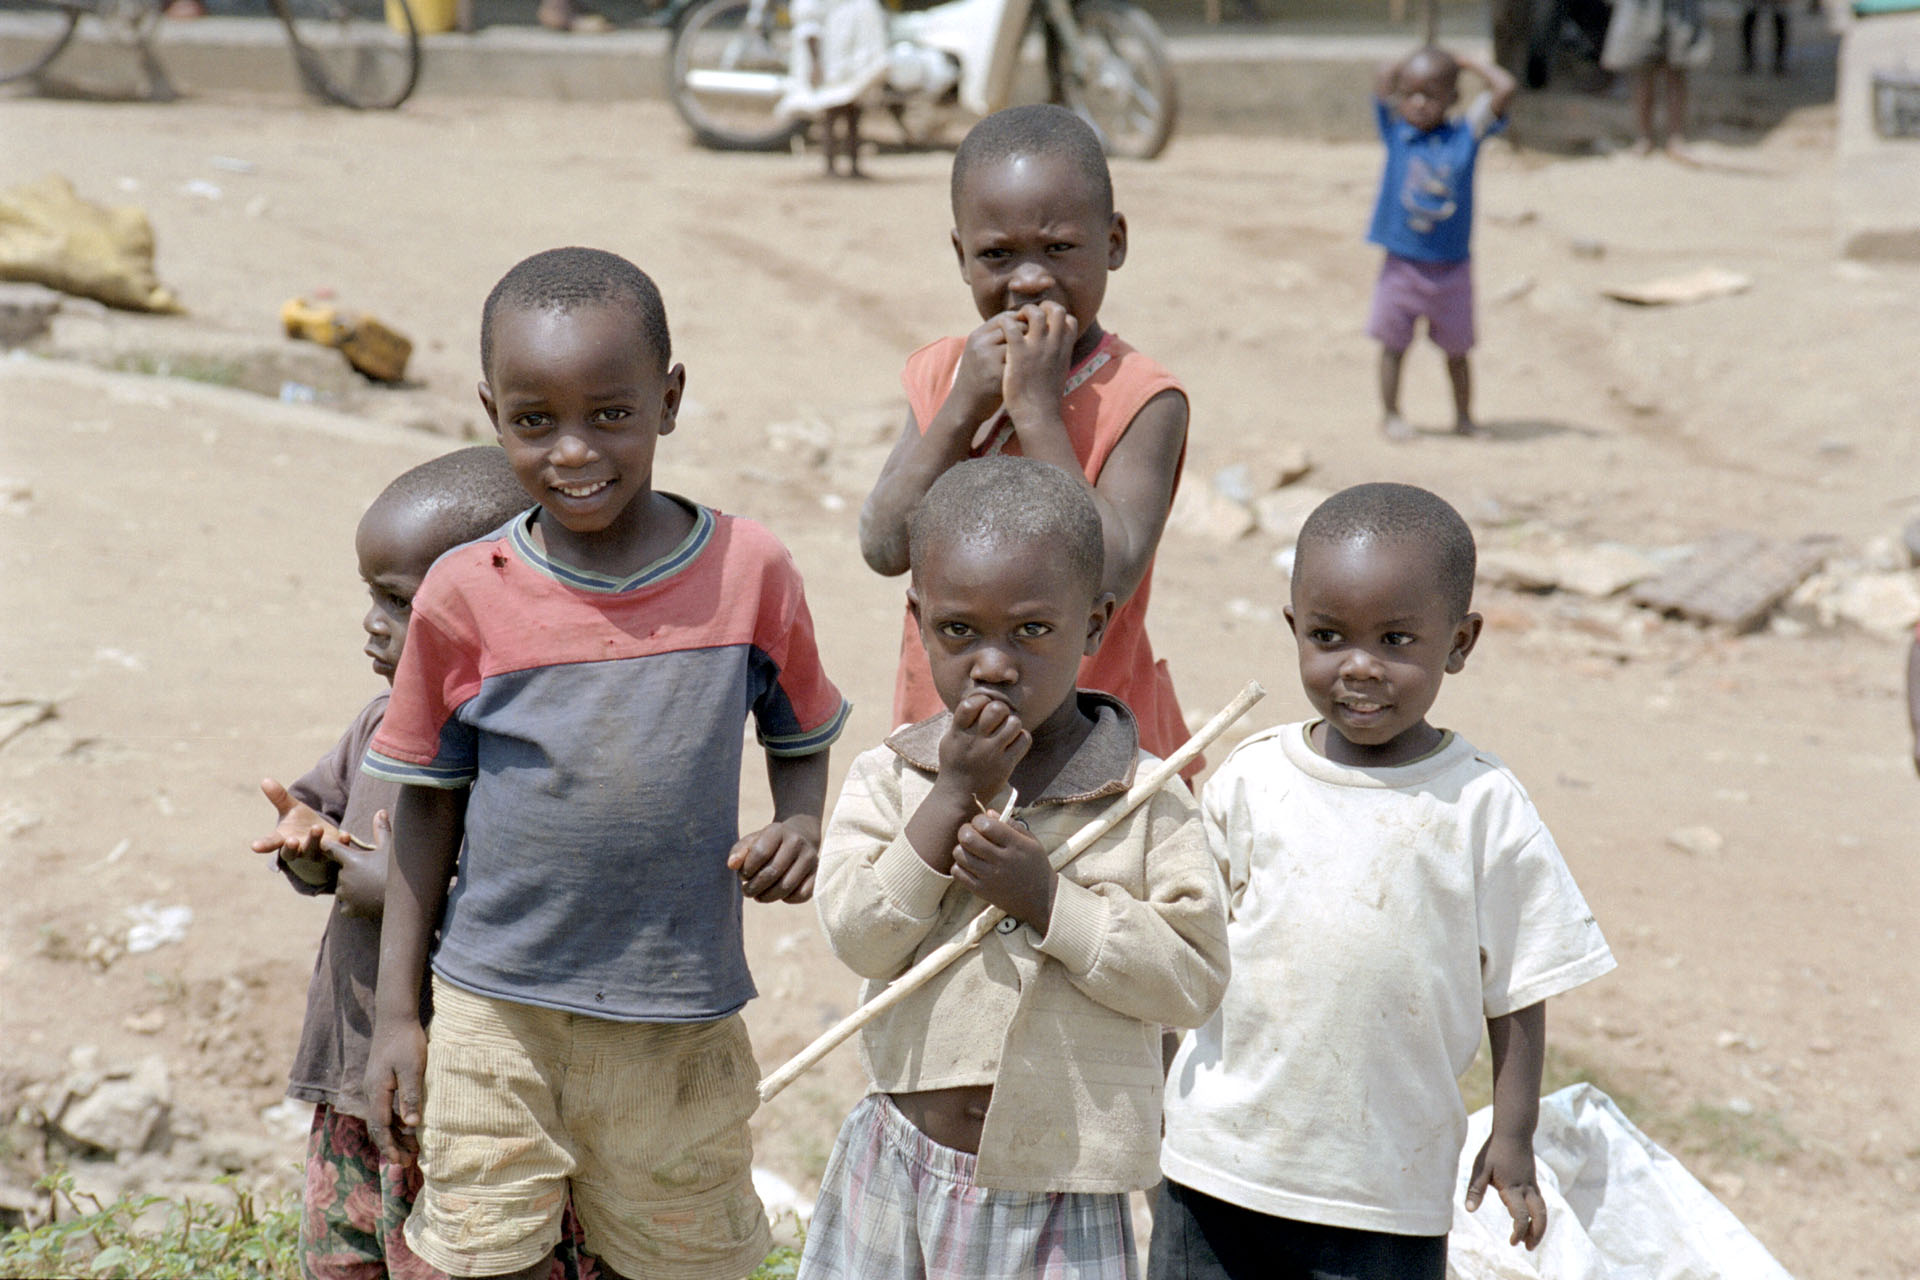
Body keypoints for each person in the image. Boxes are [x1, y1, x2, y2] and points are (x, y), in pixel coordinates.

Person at [361, 247, 851, 1280]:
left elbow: (800, 734)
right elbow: (425, 812)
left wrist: (799, 822)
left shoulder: (748, 572)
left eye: (611, 413)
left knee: (684, 1255)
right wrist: (402, 1016)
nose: (574, 450)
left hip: (678, 1014)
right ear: (492, 411)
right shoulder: (465, 593)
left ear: (669, 399)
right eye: (535, 421)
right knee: (474, 1255)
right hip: (499, 1008)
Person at [1154, 482, 1618, 1280]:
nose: (1360, 668)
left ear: (1461, 642)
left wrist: (1511, 1142)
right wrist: (1169, 1102)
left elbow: (1519, 988)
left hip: (1381, 1192)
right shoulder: (1251, 778)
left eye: (1397, 640)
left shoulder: (1480, 805)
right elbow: (1183, 949)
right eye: (1329, 636)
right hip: (1216, 1169)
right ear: (1294, 628)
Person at [803, 456, 1231, 1280]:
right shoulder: (894, 780)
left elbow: (1192, 980)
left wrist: (1049, 902)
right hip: (900, 1161)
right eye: (959, 631)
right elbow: (858, 939)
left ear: (1097, 626)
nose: (993, 664)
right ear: (918, 620)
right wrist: (950, 798)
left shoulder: (1146, 800)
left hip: (1060, 1191)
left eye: (1032, 631)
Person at [253, 446, 610, 1280]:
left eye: (401, 602)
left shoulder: (529, 756)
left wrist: (389, 886)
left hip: (475, 1109)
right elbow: (320, 832)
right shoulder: (378, 724)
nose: (374, 622)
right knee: (345, 1259)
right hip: (352, 1083)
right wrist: (306, 846)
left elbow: (544, 899)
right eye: (371, 595)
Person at [859, 104, 1199, 777]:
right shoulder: (943, 375)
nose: (1030, 279)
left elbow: (1113, 570)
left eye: (1060, 248)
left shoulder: (1142, 398)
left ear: (1115, 242)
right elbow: (883, 544)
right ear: (961, 256)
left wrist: (1037, 412)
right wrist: (962, 407)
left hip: (1089, 748)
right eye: (997, 255)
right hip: (948, 731)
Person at [1365, 45, 1517, 441]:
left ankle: (1464, 419)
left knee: (1458, 351)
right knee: (1393, 345)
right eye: (1410, 93)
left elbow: (1505, 87)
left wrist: (1469, 63)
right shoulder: (1398, 133)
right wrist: (1412, 56)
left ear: (1453, 98)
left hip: (1452, 269)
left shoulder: (1466, 135)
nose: (1418, 103)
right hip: (1402, 265)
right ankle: (1391, 414)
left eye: (1430, 94)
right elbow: (1383, 77)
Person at [1600, 0, 1712, 155]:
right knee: (1642, 71)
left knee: (1676, 71)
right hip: (1642, 7)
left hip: (1679, 9)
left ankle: (1676, 137)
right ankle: (1644, 137)